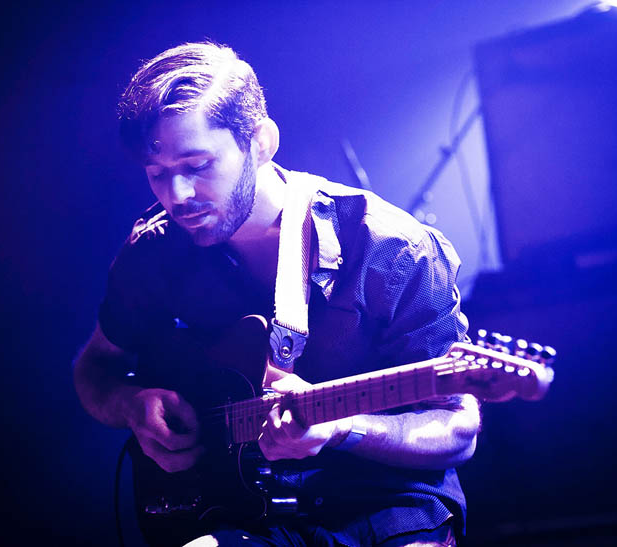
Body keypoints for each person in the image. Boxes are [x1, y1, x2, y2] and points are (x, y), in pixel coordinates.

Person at [73, 42, 480, 547]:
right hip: (233, 512)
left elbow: (458, 426)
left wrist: (342, 427)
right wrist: (133, 405)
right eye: (158, 175)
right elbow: (95, 370)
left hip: (384, 505)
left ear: (261, 142)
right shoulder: (154, 252)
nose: (176, 195)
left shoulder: (392, 249)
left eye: (197, 165)